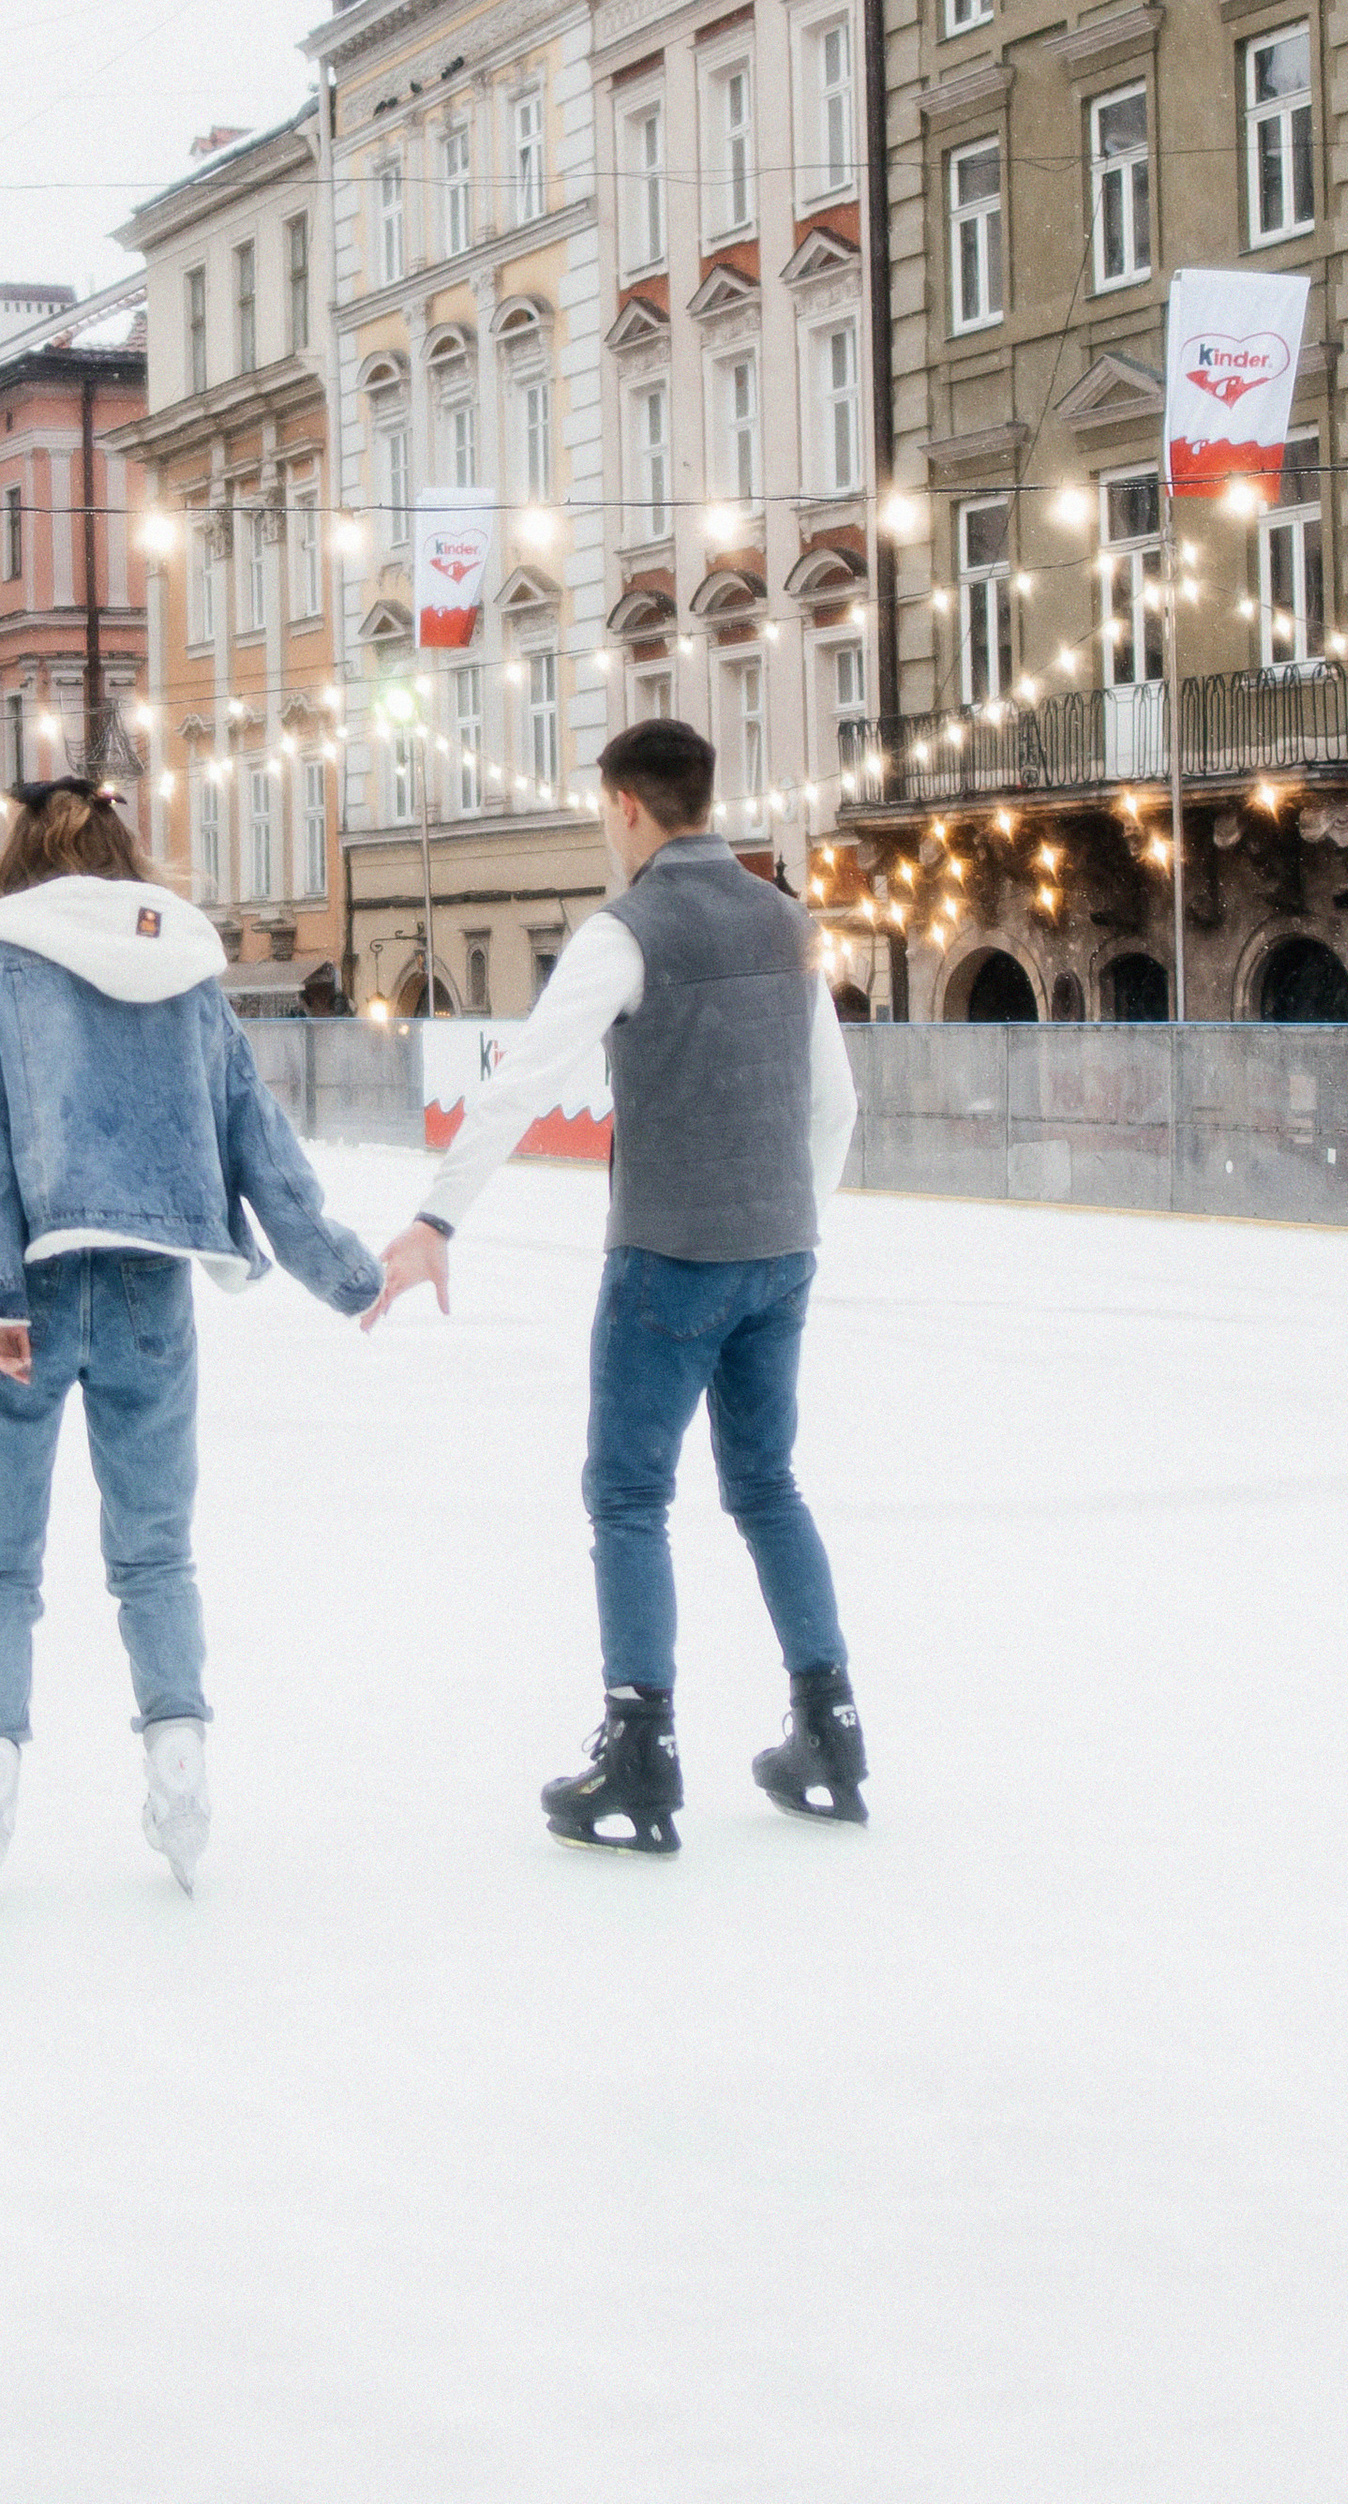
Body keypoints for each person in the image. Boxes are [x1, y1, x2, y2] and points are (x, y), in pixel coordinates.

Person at [0, 777, 381, 1903]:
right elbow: (255, 1132)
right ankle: (179, 1763)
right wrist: (341, 1270)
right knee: (154, 1555)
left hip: (24, 1296)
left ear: (19, 858)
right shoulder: (183, 969)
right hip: (150, 1286)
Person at [366, 717, 865, 1854]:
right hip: (777, 1258)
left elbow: (521, 1079)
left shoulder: (626, 929)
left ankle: (640, 1755)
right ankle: (829, 1730)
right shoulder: (789, 920)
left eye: (602, 810)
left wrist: (438, 1215)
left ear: (628, 806)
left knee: (629, 1497)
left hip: (668, 1261)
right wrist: (788, 1230)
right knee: (767, 1488)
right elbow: (835, 1108)